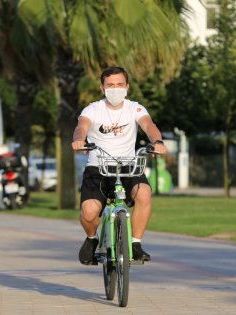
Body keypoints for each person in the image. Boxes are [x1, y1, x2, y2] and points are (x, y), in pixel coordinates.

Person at [71, 66, 166, 265]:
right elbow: (82, 127)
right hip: (98, 167)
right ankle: (91, 238)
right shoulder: (93, 109)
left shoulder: (135, 108)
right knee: (89, 212)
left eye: (120, 85)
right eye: (110, 85)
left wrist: (158, 142)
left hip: (128, 166)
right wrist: (79, 139)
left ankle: (136, 244)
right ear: (102, 88)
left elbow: (149, 126)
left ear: (127, 87)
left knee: (144, 194)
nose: (115, 89)